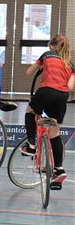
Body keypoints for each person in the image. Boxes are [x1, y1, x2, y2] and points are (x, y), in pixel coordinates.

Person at [22, 34, 74, 189]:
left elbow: (29, 72)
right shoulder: (70, 64)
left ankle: (31, 144)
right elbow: (70, 87)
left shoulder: (47, 55)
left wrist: (42, 68)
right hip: (62, 96)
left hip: (47, 90)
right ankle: (59, 169)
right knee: (54, 132)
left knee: (29, 111)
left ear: (51, 46)